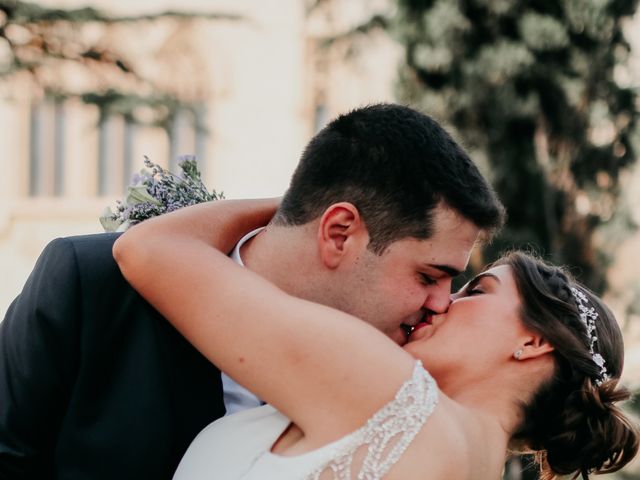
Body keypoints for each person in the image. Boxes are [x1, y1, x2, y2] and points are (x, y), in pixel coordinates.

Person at [0, 104, 505, 479]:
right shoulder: (93, 287)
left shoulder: (389, 383)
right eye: (429, 275)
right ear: (338, 233)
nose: (443, 303)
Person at [113, 198, 639, 480]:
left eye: (479, 290)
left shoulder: (389, 391)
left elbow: (148, 248)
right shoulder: (475, 466)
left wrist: (303, 207)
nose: (444, 301)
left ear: (531, 343)